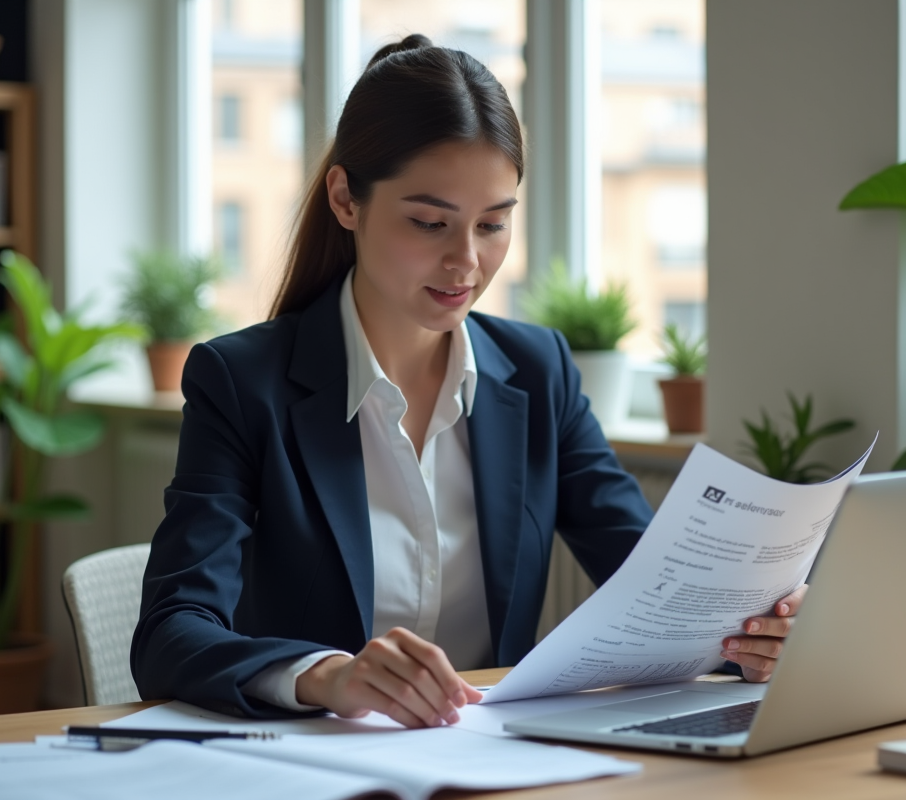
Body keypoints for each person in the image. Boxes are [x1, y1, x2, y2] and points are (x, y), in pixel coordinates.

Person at [130, 34, 805, 726]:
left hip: (498, 762)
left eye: (493, 225)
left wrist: (757, 637)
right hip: (325, 764)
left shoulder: (539, 374)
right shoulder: (243, 383)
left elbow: (654, 589)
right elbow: (171, 633)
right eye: (430, 223)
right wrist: (329, 676)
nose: (467, 262)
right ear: (345, 199)